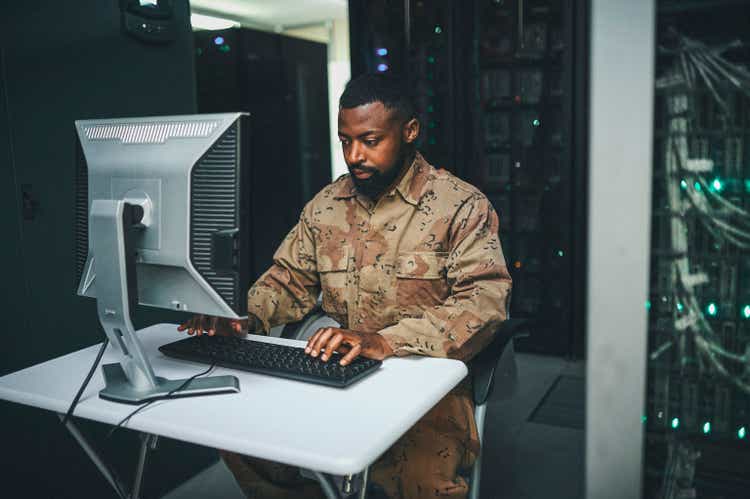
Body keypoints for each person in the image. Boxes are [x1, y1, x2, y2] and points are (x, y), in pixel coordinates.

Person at [178, 73, 512, 499]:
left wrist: (384, 341)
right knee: (241, 436)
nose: (354, 155)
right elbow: (287, 279)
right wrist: (243, 315)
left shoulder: (461, 206)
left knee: (423, 484)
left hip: (423, 384)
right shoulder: (325, 206)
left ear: (409, 131)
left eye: (370, 140)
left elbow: (485, 305)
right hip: (336, 373)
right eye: (345, 141)